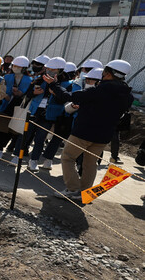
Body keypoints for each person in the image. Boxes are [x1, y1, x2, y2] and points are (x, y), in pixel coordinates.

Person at [59, 60, 134, 200]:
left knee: (67, 157)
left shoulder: (100, 90)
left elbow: (71, 97)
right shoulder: (128, 96)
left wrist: (53, 85)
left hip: (83, 131)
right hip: (104, 135)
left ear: (108, 73)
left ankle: (73, 189)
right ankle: (85, 193)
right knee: (90, 163)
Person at [22, 57, 71, 171]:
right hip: (35, 111)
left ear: (60, 70)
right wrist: (33, 92)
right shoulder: (39, 79)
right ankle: (20, 157)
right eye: (48, 68)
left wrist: (55, 93)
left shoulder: (66, 84)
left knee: (41, 138)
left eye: (53, 69)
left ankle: (34, 160)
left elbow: (66, 99)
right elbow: (27, 93)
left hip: (51, 114)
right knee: (26, 135)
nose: (49, 71)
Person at [0, 56, 32, 161]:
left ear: (24, 68)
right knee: (0, 129)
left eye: (18, 66)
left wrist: (20, 94)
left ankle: (4, 149)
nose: (15, 67)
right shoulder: (7, 77)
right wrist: (5, 95)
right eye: (14, 65)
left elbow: (28, 95)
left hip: (18, 108)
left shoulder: (29, 80)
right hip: (5, 105)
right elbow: (1, 90)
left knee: (12, 131)